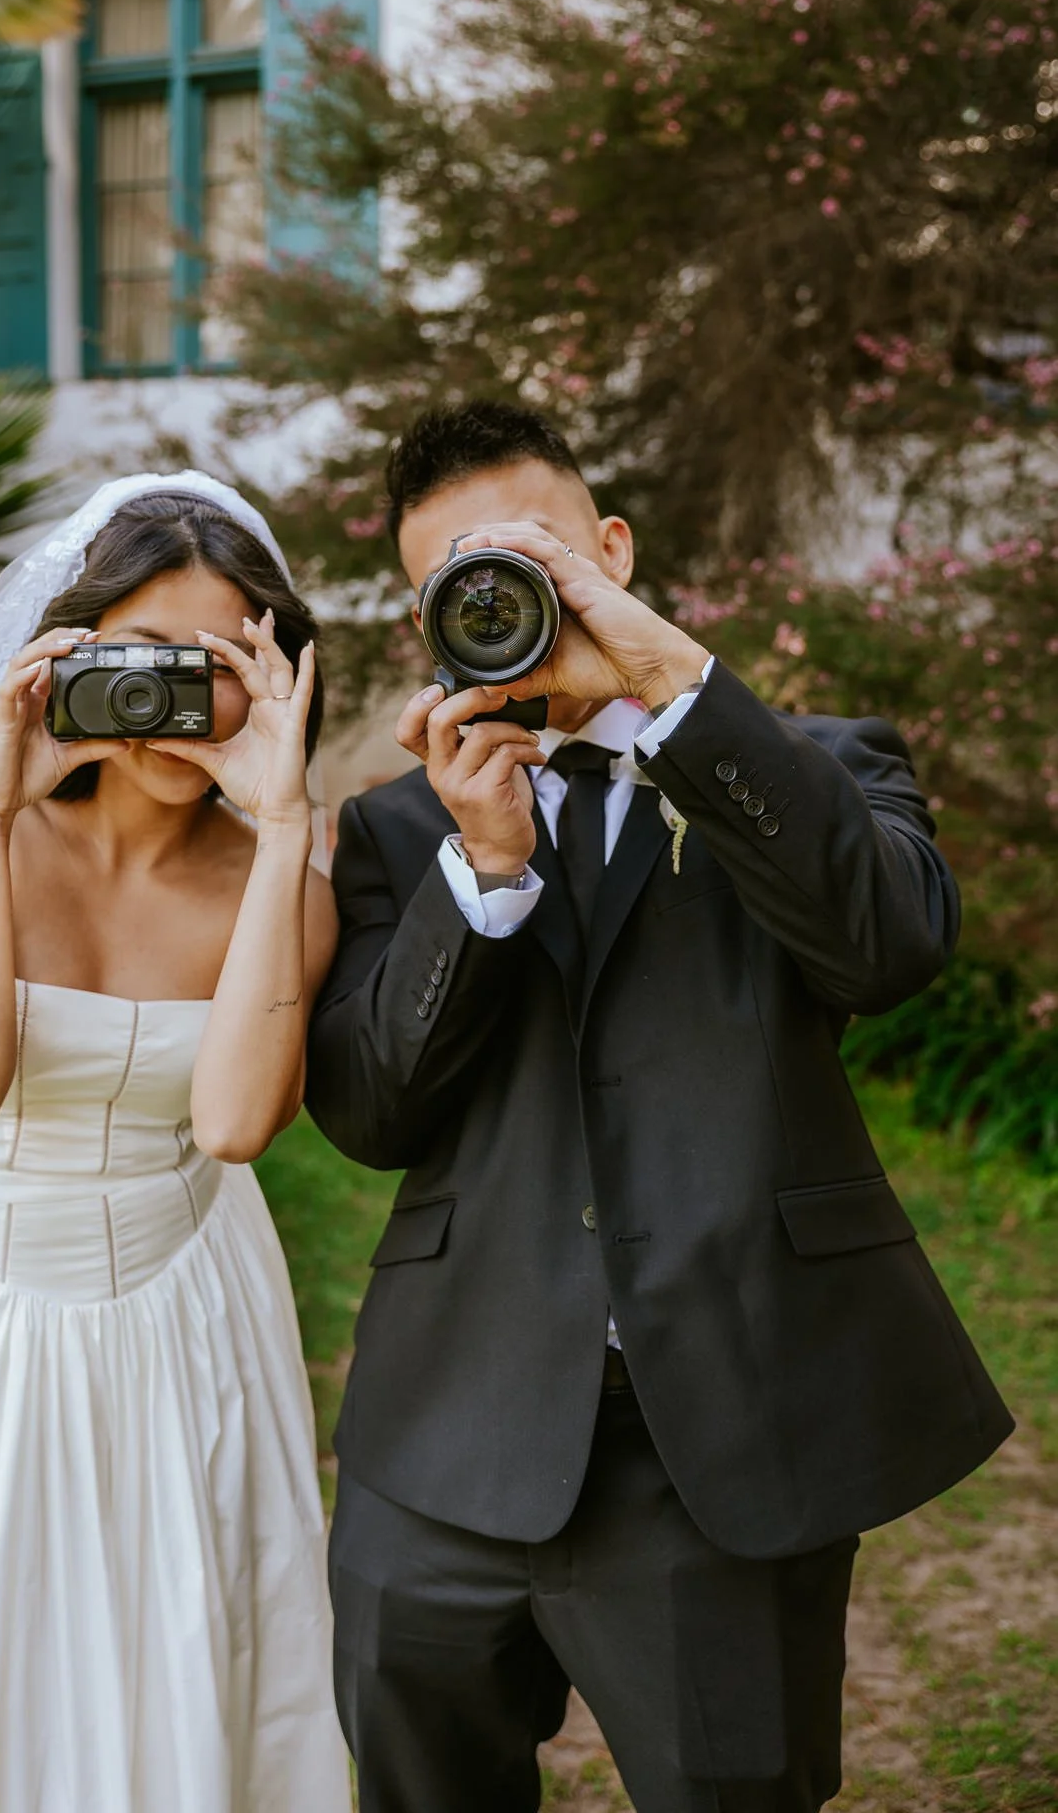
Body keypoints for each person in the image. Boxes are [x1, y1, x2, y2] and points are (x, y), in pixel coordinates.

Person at [307, 401, 1013, 1813]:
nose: (505, 600)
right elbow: (372, 1110)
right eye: (461, 582)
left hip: (724, 1431)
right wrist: (484, 873)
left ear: (611, 550)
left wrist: (676, 688)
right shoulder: (398, 830)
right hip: (446, 1437)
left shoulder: (809, 765)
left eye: (537, 562)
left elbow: (888, 949)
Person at [0, 476, 352, 1813]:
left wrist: (278, 833)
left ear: (279, 674)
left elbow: (234, 1121)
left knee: (193, 1662)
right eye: (136, 657)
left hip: (188, 1315)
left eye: (215, 663)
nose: (174, 700)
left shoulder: (286, 866)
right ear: (64, 653)